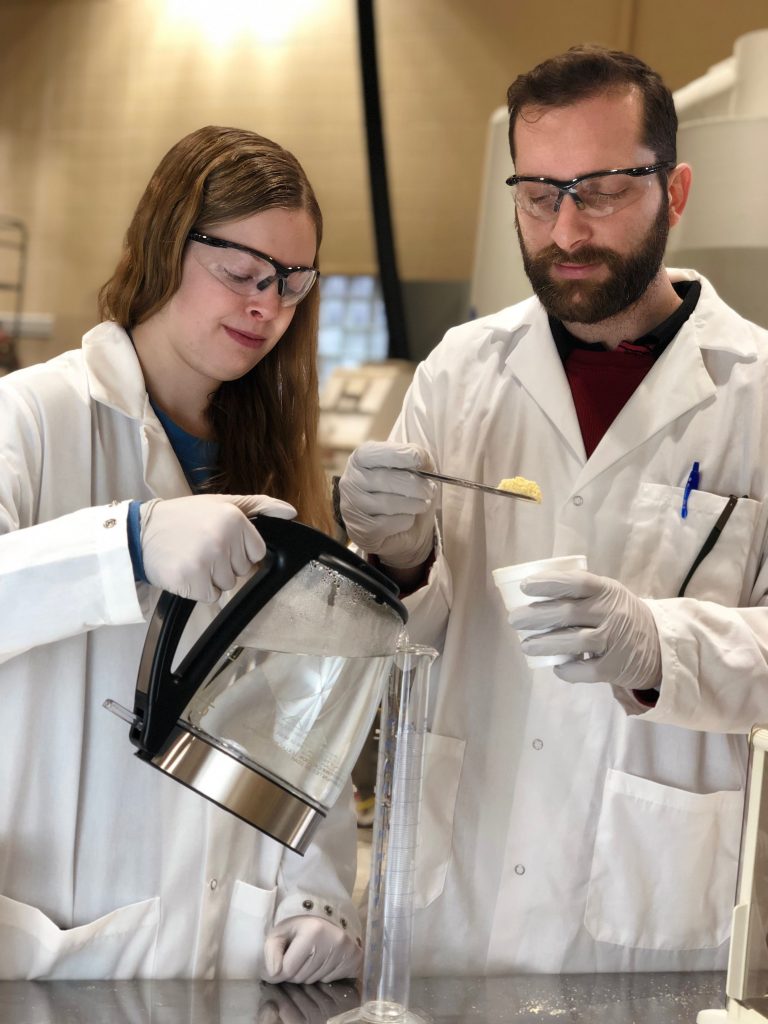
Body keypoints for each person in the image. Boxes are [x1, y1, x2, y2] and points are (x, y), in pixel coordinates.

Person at [338, 45, 768, 975]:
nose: (566, 229)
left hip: (654, 920)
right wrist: (397, 558)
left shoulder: (758, 391)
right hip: (452, 906)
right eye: (539, 195)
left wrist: (665, 646)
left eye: (603, 191)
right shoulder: (459, 371)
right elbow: (390, 642)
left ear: (676, 190)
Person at [0, 125, 362, 982]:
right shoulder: (35, 416)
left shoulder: (273, 467)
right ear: (167, 244)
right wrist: (124, 542)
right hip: (50, 950)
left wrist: (321, 891)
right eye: (241, 273)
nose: (266, 306)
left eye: (292, 283)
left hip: (221, 956)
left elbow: (302, 717)